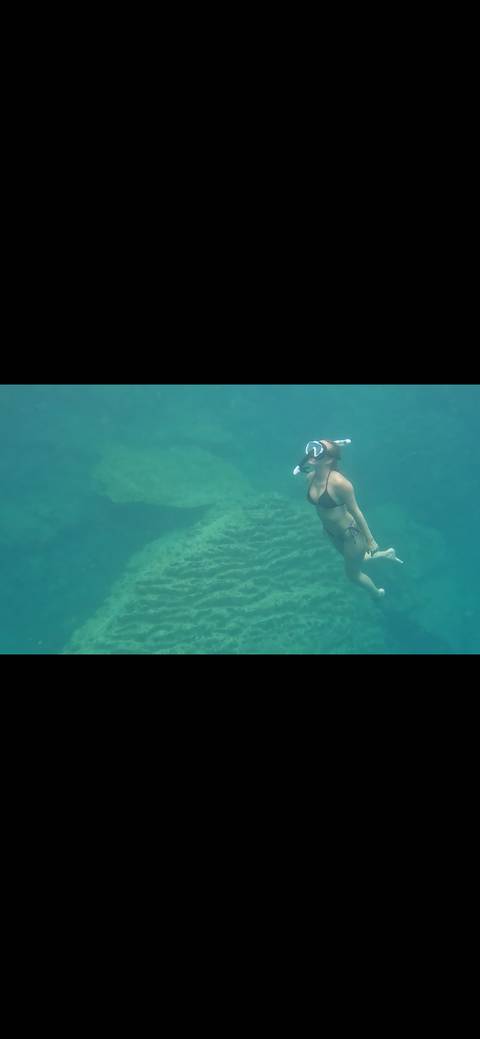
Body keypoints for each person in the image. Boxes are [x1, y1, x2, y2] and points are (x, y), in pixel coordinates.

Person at [293, 439, 403, 601]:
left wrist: (370, 540)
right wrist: (334, 444)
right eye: (313, 447)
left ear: (329, 459)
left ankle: (377, 593)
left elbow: (356, 512)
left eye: (319, 450)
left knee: (352, 574)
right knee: (354, 559)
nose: (312, 452)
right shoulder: (310, 477)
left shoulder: (340, 484)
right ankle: (386, 555)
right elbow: (312, 460)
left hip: (350, 535)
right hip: (330, 532)